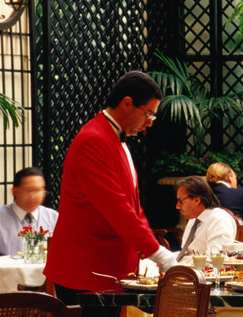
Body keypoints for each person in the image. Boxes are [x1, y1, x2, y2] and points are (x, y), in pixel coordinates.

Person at [43, 71, 177, 312]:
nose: (149, 123)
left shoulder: (113, 138)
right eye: (148, 113)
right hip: (85, 269)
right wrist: (159, 253)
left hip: (106, 267)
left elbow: (133, 209)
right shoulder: (93, 140)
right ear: (127, 104)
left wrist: (153, 250)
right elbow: (117, 208)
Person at [0, 167, 59, 256]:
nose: (34, 196)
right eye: (29, 191)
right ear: (15, 191)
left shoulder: (53, 217)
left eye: (38, 190)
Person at [174, 175, 236, 265]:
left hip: (201, 274)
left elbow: (214, 260)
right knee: (149, 262)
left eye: (181, 201)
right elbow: (185, 254)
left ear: (196, 200)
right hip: (187, 266)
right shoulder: (194, 219)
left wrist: (175, 266)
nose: (177, 206)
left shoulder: (219, 219)